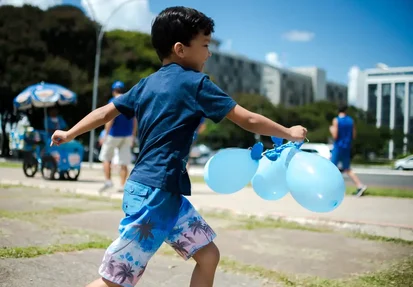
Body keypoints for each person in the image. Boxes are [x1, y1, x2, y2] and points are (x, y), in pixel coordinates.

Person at [51, 6, 307, 287]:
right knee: (116, 278)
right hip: (155, 195)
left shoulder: (146, 84)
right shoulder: (196, 84)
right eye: (205, 45)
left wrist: (70, 132)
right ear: (180, 49)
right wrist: (288, 131)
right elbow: (247, 119)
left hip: (163, 192)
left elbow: (104, 112)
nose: (209, 53)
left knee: (208, 255)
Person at [99, 81, 137, 192]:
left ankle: (108, 181)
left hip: (113, 135)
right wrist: (133, 135)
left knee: (106, 158)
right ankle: (122, 185)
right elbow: (135, 121)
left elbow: (109, 119)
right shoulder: (130, 101)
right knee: (124, 162)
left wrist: (105, 134)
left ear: (113, 91)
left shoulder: (113, 101)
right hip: (127, 135)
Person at [329, 104, 367, 197]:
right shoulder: (351, 121)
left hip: (338, 146)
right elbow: (353, 135)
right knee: (347, 168)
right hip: (347, 146)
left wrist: (331, 129)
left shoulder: (336, 120)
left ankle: (330, 189)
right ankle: (360, 185)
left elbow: (335, 135)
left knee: (331, 167)